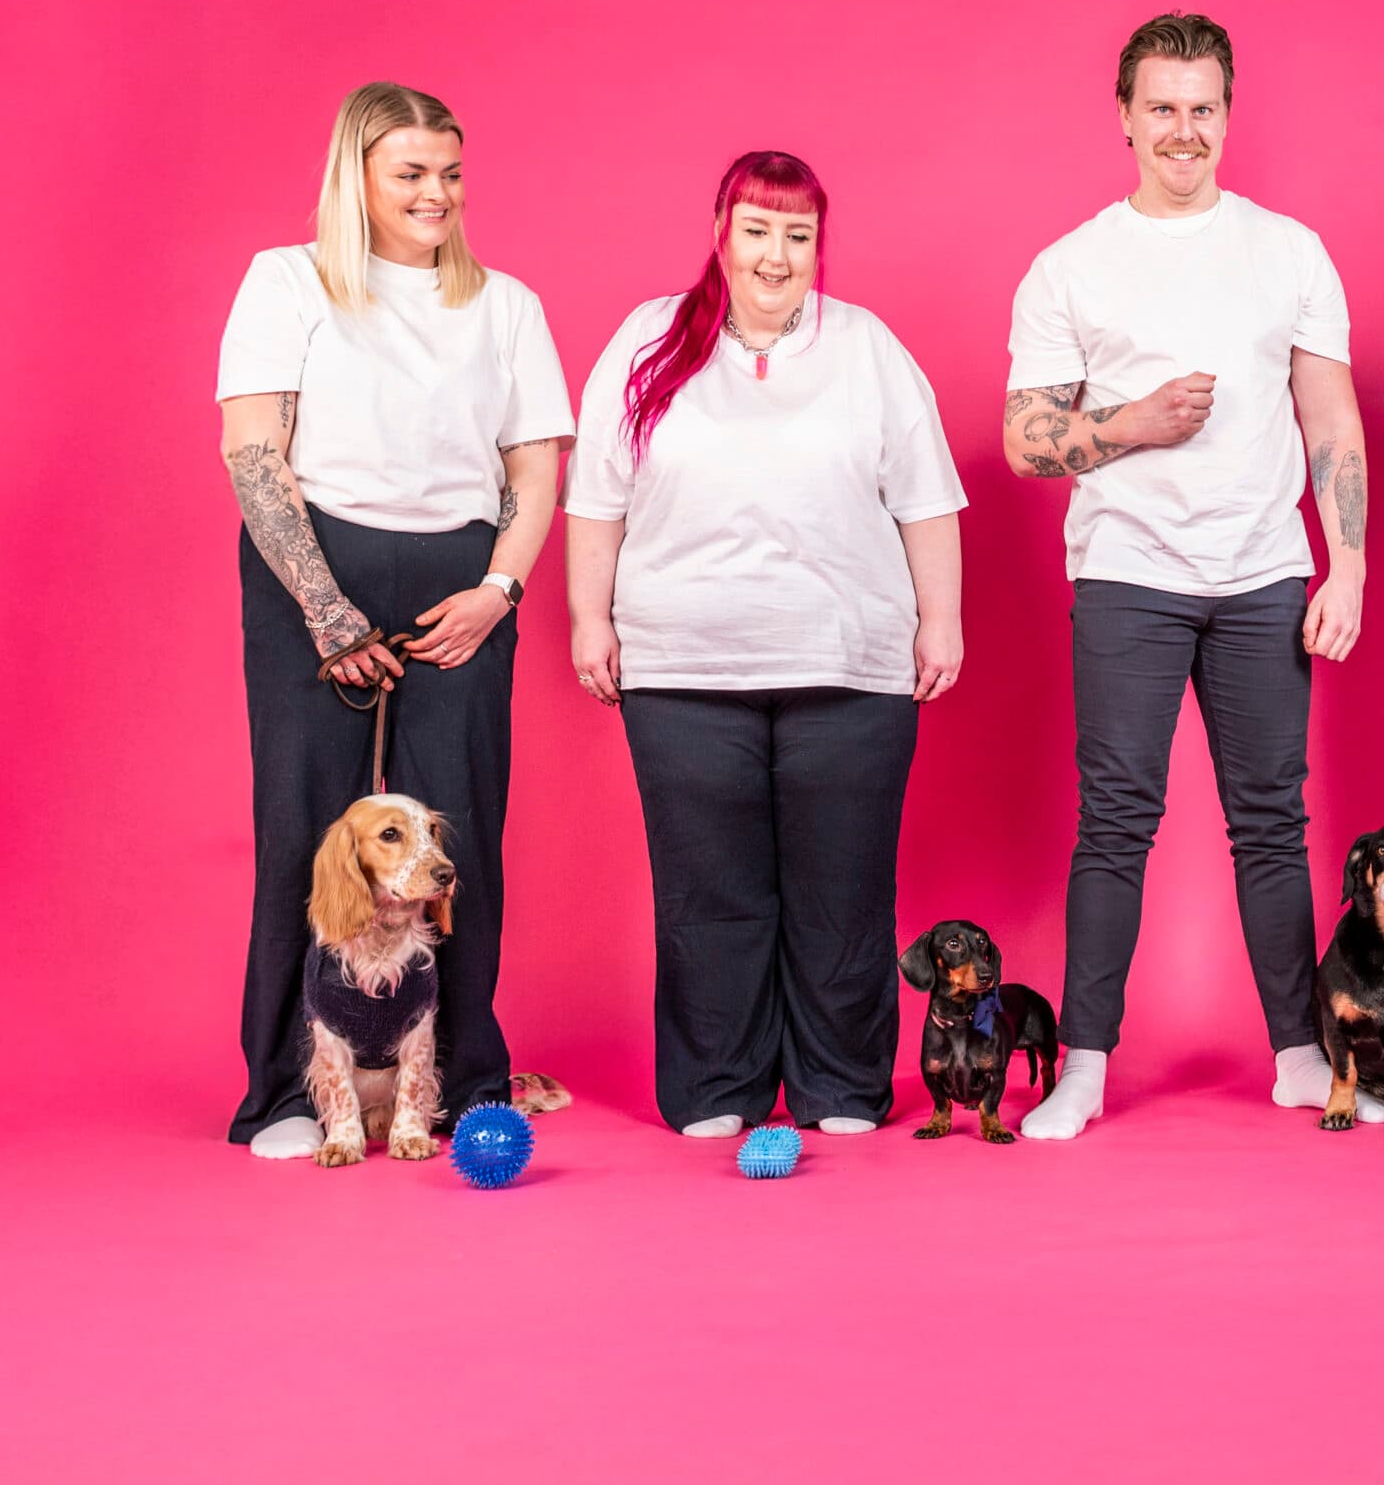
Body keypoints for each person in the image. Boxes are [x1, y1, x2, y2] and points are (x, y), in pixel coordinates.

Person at [1000, 11, 1369, 1139]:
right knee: (1115, 821)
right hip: (1128, 579)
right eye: (1161, 107)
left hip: (1263, 575)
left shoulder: (1288, 249)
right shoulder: (1071, 265)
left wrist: (1345, 564)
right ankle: (1084, 1065)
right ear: (1123, 118)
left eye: (1202, 107)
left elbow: (1331, 419)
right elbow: (1024, 438)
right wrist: (1130, 424)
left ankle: (1300, 1053)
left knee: (1270, 821)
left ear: (1226, 113)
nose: (1183, 129)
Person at [565, 151, 965, 1139]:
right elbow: (595, 500)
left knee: (844, 895)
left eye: (797, 235)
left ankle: (840, 1086)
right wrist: (590, 617)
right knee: (710, 896)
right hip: (683, 668)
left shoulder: (865, 347)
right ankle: (717, 1088)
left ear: (816, 246)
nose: (777, 255)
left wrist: (939, 618)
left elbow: (925, 499)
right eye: (757, 231)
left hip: (849, 665)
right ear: (719, 232)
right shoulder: (646, 340)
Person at [216, 81, 573, 1158]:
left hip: (459, 576)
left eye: (451, 173)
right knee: (305, 828)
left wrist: (498, 591)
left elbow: (533, 467)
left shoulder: (504, 303)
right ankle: (285, 1090)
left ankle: (466, 1075)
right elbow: (252, 451)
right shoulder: (287, 282)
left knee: (461, 834)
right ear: (357, 176)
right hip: (313, 565)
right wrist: (328, 615)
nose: (437, 194)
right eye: (411, 173)